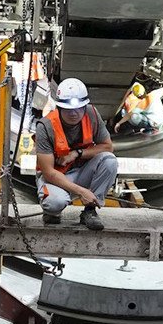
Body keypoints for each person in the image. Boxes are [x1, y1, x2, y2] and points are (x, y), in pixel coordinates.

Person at [33, 77, 117, 230]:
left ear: (85, 106)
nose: (74, 113)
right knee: (54, 203)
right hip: (56, 178)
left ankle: (90, 211)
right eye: (68, 109)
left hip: (81, 172)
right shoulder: (45, 127)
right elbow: (48, 172)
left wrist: (77, 153)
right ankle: (52, 212)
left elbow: (107, 147)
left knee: (109, 161)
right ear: (59, 107)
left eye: (79, 108)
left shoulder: (91, 115)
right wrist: (81, 191)